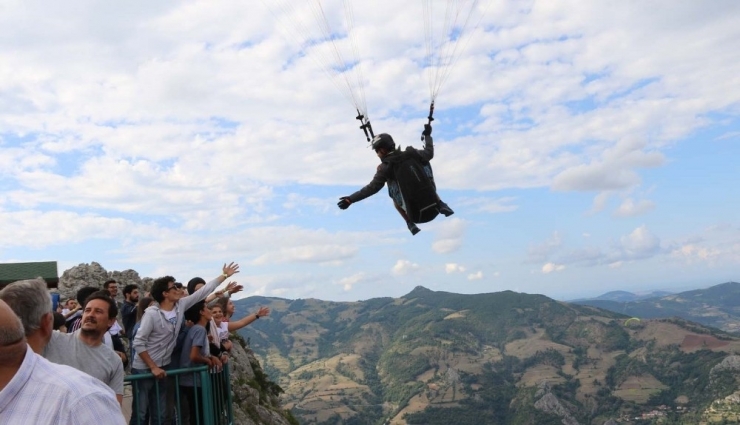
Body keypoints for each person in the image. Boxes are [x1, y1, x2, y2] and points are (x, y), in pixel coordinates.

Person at [130, 262, 239, 425]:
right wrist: (152, 367)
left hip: (164, 366)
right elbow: (138, 342)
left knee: (161, 413)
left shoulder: (180, 306)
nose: (178, 289)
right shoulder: (152, 314)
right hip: (143, 368)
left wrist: (223, 276)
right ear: (165, 293)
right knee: (141, 412)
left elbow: (203, 292)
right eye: (174, 287)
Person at [0, 297, 125, 424]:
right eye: (87, 310)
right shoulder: (52, 339)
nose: (90, 315)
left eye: (98, 311)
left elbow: (114, 405)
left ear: (111, 321)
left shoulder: (113, 361)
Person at [337, 124, 454, 235]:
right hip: (433, 207)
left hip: (415, 214)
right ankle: (441, 203)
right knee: (423, 163)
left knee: (391, 184)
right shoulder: (412, 154)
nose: (377, 154)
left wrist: (350, 199)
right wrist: (428, 135)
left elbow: (372, 188)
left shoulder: (384, 168)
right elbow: (429, 152)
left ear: (382, 150)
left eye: (377, 151)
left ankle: (409, 223)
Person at [179, 301, 225, 425]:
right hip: (193, 381)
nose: (209, 310)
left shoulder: (195, 329)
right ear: (201, 312)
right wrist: (208, 360)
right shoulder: (200, 330)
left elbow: (199, 351)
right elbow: (194, 356)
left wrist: (211, 356)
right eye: (206, 308)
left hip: (188, 380)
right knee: (198, 417)